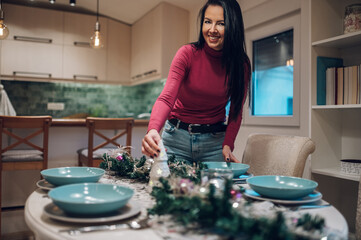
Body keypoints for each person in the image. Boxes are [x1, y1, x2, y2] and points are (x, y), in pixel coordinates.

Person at [142, 0, 251, 164]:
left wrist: (228, 144)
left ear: (233, 26)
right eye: (208, 22)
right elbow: (167, 98)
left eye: (220, 24)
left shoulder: (240, 65)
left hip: (214, 144)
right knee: (169, 189)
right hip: (175, 139)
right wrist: (153, 129)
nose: (212, 30)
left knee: (215, 190)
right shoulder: (187, 54)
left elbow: (236, 112)